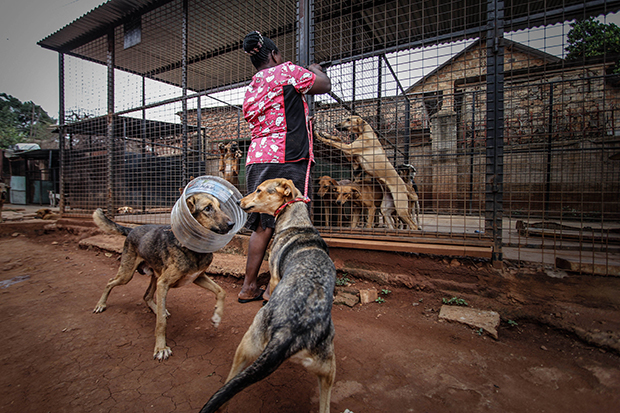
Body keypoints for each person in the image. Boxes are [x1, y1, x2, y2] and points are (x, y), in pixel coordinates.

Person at [237, 31, 331, 303]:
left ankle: (249, 286)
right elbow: (324, 85)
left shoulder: (253, 85)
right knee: (291, 218)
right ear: (275, 55)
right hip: (286, 156)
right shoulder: (286, 71)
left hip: (256, 158)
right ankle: (273, 288)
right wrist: (313, 69)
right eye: (281, 56)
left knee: (262, 225)